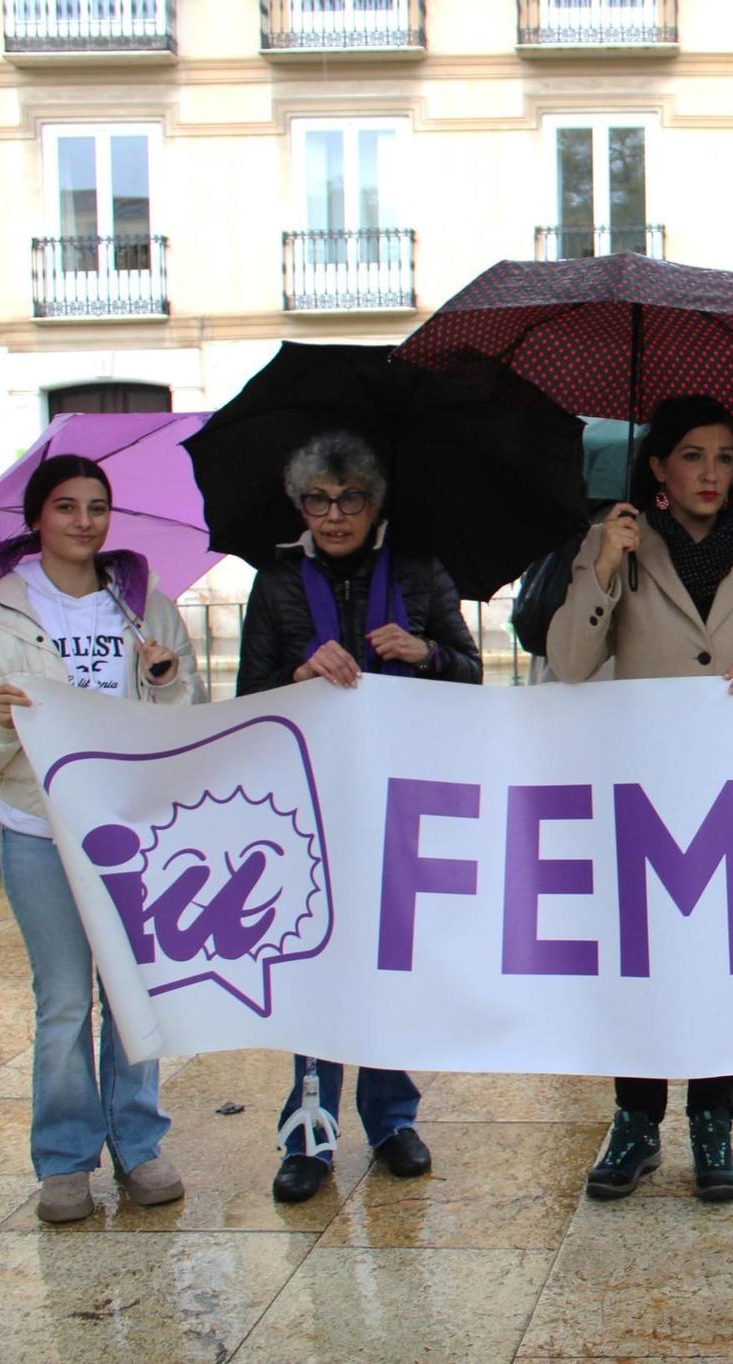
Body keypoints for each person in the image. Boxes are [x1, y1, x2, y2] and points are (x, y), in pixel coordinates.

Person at [548, 394, 733, 1202]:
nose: (712, 472)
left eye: (724, 456)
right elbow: (570, 663)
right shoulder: (615, 544)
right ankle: (635, 1122)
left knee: (723, 960)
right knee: (642, 959)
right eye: (694, 456)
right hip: (647, 786)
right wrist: (604, 568)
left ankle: (714, 1121)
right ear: (658, 468)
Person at [0, 454, 199, 1222]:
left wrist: (162, 680)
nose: (84, 521)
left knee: (131, 992)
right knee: (61, 1002)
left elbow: (181, 722)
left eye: (97, 506)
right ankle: (64, 1160)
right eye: (65, 506)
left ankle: (140, 1146)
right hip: (38, 833)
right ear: (35, 520)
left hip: (128, 832)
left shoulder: (145, 608)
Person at [237, 430, 482, 1205]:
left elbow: (471, 673)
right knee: (312, 957)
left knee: (386, 961)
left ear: (375, 503)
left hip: (397, 796)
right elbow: (249, 698)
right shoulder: (276, 581)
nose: (333, 514)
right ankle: (308, 1128)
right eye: (317, 499)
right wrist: (300, 672)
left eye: (349, 499)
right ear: (299, 504)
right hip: (305, 800)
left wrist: (423, 652)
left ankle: (390, 1118)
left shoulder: (417, 570)